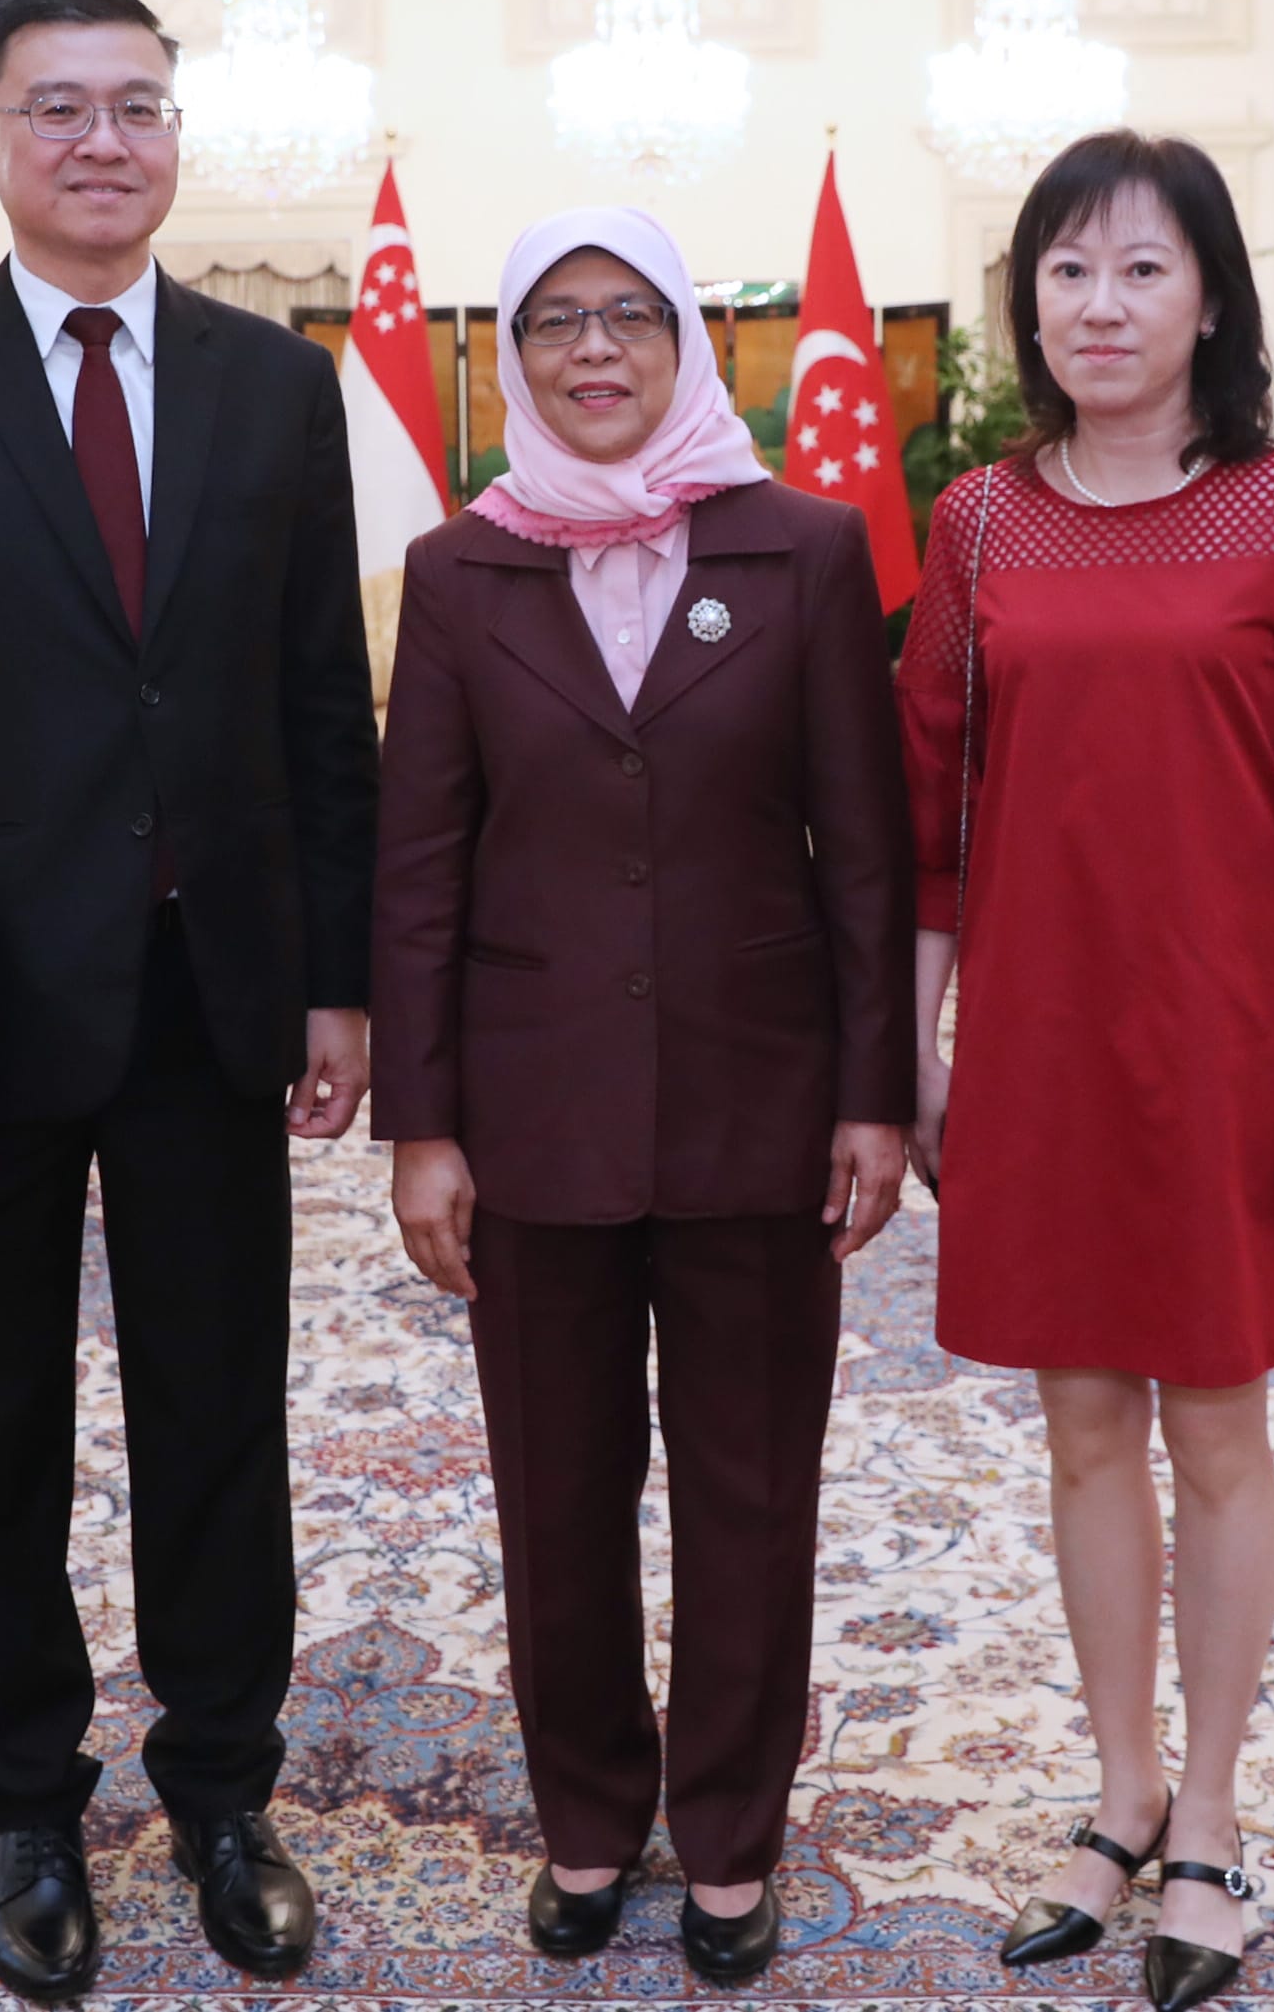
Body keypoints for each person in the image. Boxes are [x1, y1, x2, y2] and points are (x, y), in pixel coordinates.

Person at [0, 0, 377, 2002]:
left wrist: (341, 983)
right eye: (59, 107)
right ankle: (29, 1801)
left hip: (214, 993)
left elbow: (322, 710)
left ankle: (224, 1786)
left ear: (177, 134)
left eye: (138, 104)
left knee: (220, 1411)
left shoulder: (273, 388)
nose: (102, 139)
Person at [895, 132, 1274, 2012]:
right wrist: (918, 1048)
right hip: (1037, 1038)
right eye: (1062, 270)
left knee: (1216, 1429)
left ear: (1210, 293)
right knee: (1074, 1430)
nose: (1097, 306)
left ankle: (1207, 1813)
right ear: (1023, 302)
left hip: (1225, 1043)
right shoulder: (977, 521)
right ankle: (1114, 1787)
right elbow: (929, 820)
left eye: (1137, 270)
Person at [371, 206, 914, 1985]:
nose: (591, 351)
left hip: (762, 1106)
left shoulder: (806, 549)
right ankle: (591, 1819)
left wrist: (873, 1093)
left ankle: (734, 1833)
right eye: (552, 323)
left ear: (688, 343)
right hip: (531, 1117)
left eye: (627, 317)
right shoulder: (460, 572)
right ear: (510, 360)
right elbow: (423, 867)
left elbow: (865, 851)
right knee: (557, 1490)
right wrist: (422, 1126)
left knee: (752, 1487)